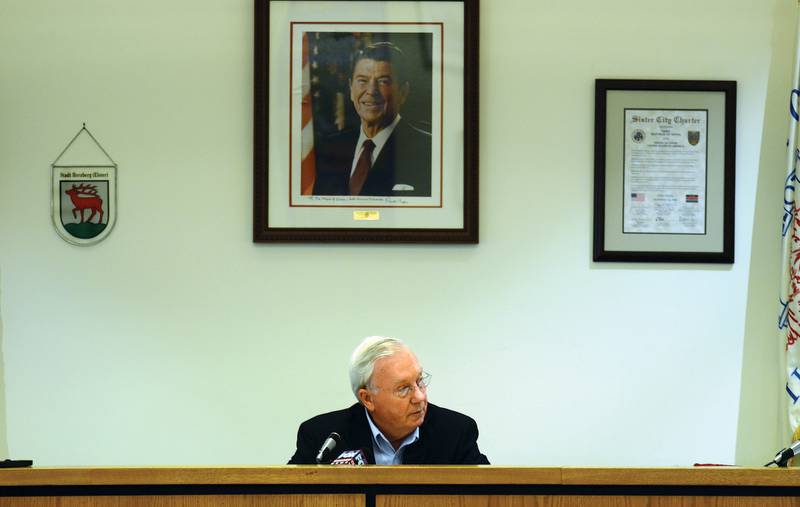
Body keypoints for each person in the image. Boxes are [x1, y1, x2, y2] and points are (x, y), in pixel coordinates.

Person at [288, 336, 489, 465]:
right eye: (403, 389)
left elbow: (491, 496)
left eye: (419, 381)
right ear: (367, 399)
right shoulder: (324, 438)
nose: (419, 396)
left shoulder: (455, 433)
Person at [312, 42, 433, 197]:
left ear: (403, 92)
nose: (371, 91)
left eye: (383, 81)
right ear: (350, 89)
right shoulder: (330, 148)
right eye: (362, 81)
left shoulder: (427, 150)